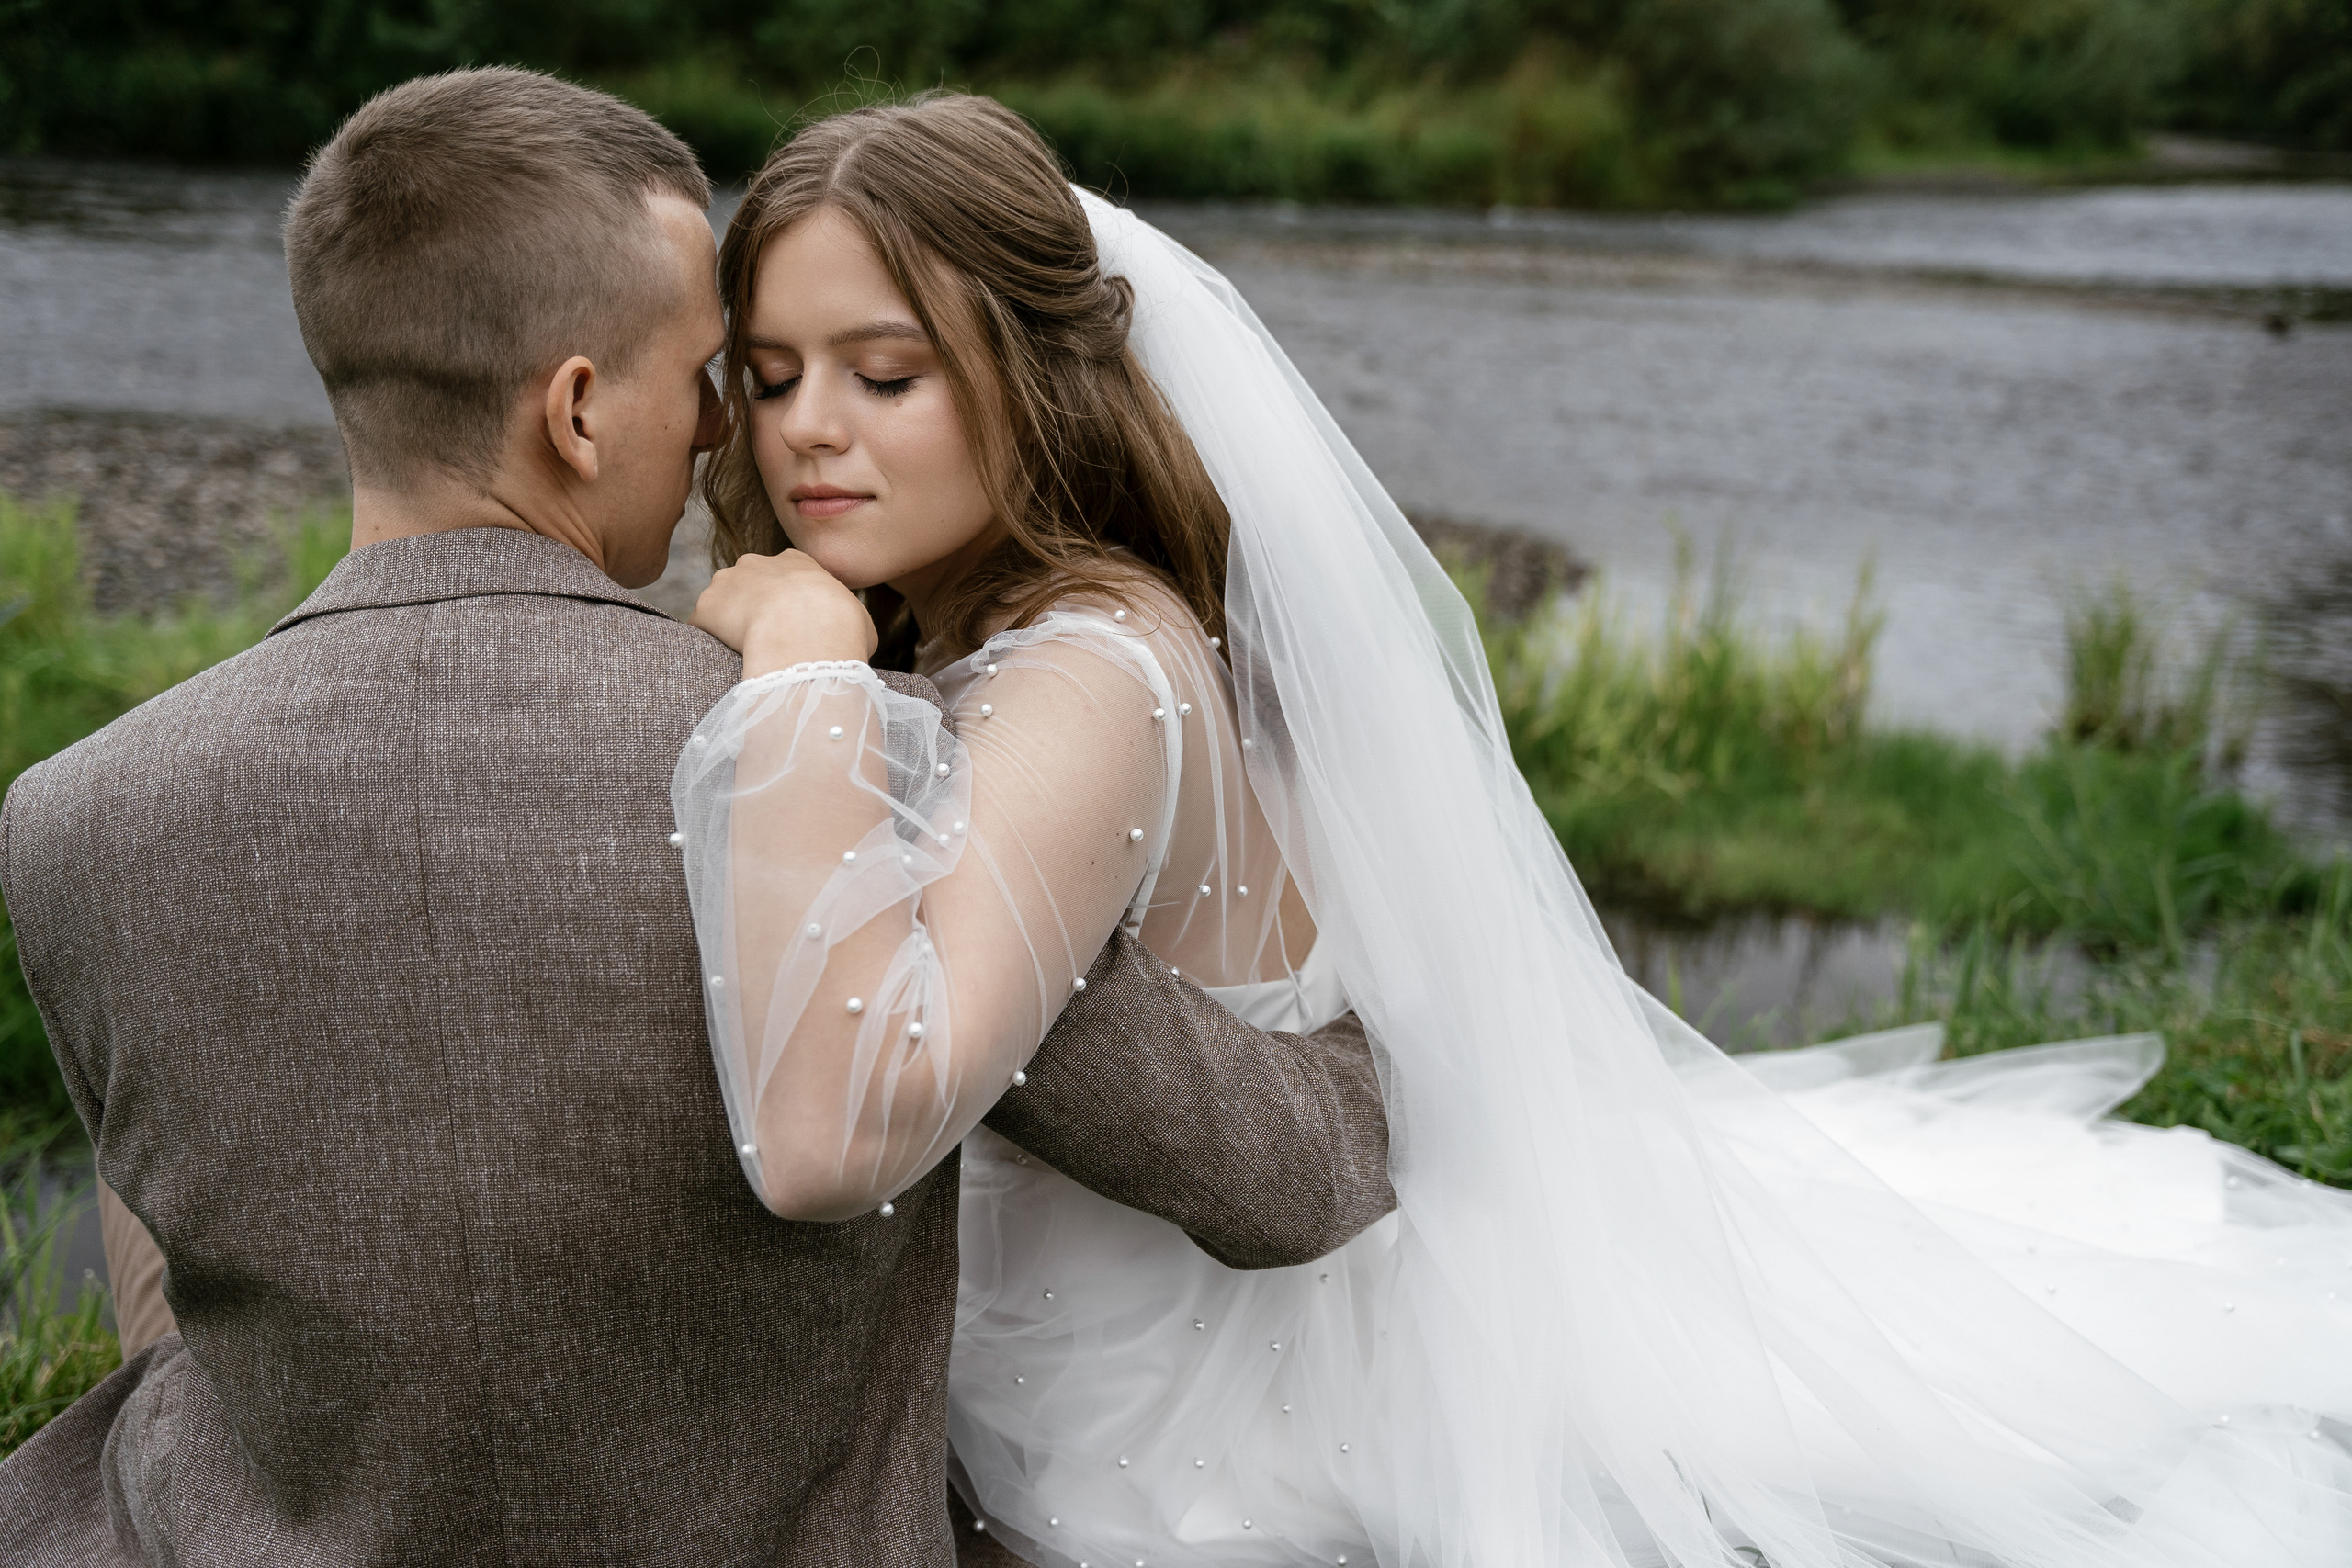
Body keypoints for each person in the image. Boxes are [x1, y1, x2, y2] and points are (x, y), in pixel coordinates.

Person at [680, 92, 2352, 1568]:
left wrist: (801, 678)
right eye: (768, 377)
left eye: (885, 373)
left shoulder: (1083, 681)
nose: (808, 426)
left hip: (1172, 1439)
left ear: (1035, 379)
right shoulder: (1037, 621)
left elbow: (853, 1114)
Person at [0, 69, 1393, 1564]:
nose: (755, 430)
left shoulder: (77, 817)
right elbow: (1290, 1164)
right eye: (736, 372)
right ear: (582, 412)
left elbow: (170, 1243)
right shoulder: (843, 768)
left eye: (876, 372)